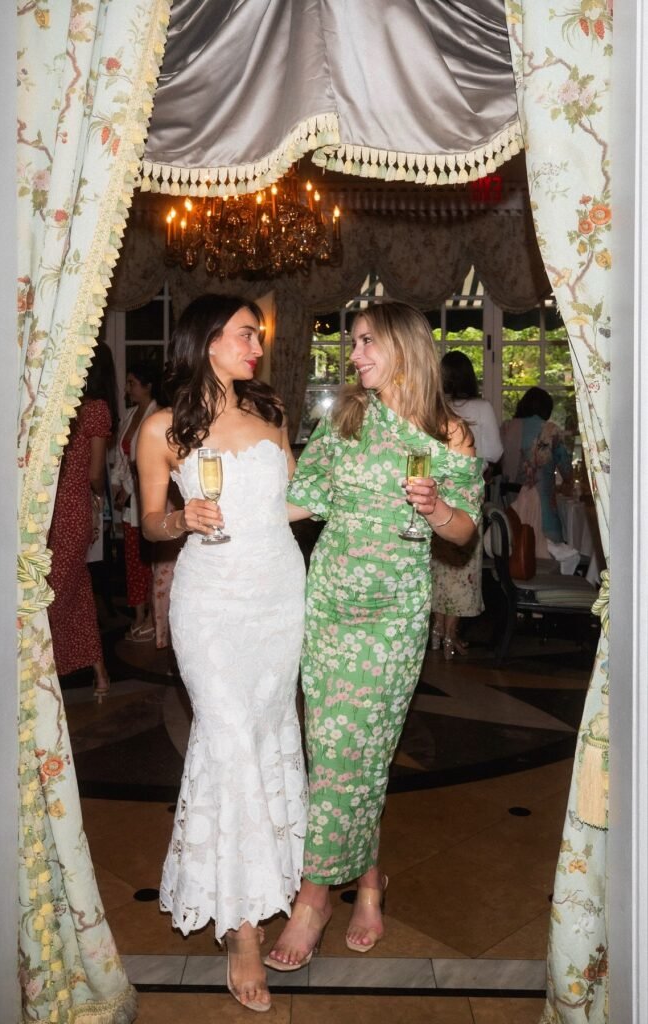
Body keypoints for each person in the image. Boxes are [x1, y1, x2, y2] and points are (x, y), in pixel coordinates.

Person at [265, 301, 483, 971]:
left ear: (403, 347)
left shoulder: (449, 432)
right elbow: (304, 498)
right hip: (330, 598)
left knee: (355, 750)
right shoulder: (347, 418)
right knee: (341, 751)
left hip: (392, 611)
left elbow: (464, 531)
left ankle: (313, 899)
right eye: (353, 342)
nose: (353, 354)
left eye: (365, 342)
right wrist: (233, 509)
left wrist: (437, 508)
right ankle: (367, 882)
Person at [137, 294, 308, 1013]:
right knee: (229, 740)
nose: (256, 347)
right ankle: (240, 931)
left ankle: (273, 884)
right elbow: (150, 524)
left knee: (267, 737)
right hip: (210, 601)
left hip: (279, 594)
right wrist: (181, 517)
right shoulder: (161, 428)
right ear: (208, 341)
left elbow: (289, 502)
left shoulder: (271, 412)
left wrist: (352, 492)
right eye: (245, 334)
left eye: (257, 336)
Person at [48, 342, 118, 702]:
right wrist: (99, 502)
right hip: (74, 510)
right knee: (68, 593)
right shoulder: (97, 410)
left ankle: (43, 672)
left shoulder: (61, 404)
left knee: (61, 591)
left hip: (47, 509)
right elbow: (94, 474)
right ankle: (94, 672)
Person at [429, 350, 503, 658]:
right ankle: (450, 636)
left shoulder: (432, 407)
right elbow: (495, 452)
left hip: (433, 494)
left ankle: (436, 632)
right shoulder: (481, 407)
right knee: (463, 569)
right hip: (466, 493)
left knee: (438, 567)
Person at [111, 362, 159, 640]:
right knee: (133, 559)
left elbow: (146, 461)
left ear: (147, 385)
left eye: (132, 383)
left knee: (150, 560)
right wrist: (117, 483)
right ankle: (139, 613)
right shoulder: (130, 415)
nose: (128, 388)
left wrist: (128, 488)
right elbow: (122, 457)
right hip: (129, 501)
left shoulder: (157, 415)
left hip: (147, 496)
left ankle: (154, 615)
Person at [500, 386, 572, 555]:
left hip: (511, 512)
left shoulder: (506, 428)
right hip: (545, 518)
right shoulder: (551, 431)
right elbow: (567, 471)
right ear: (547, 410)